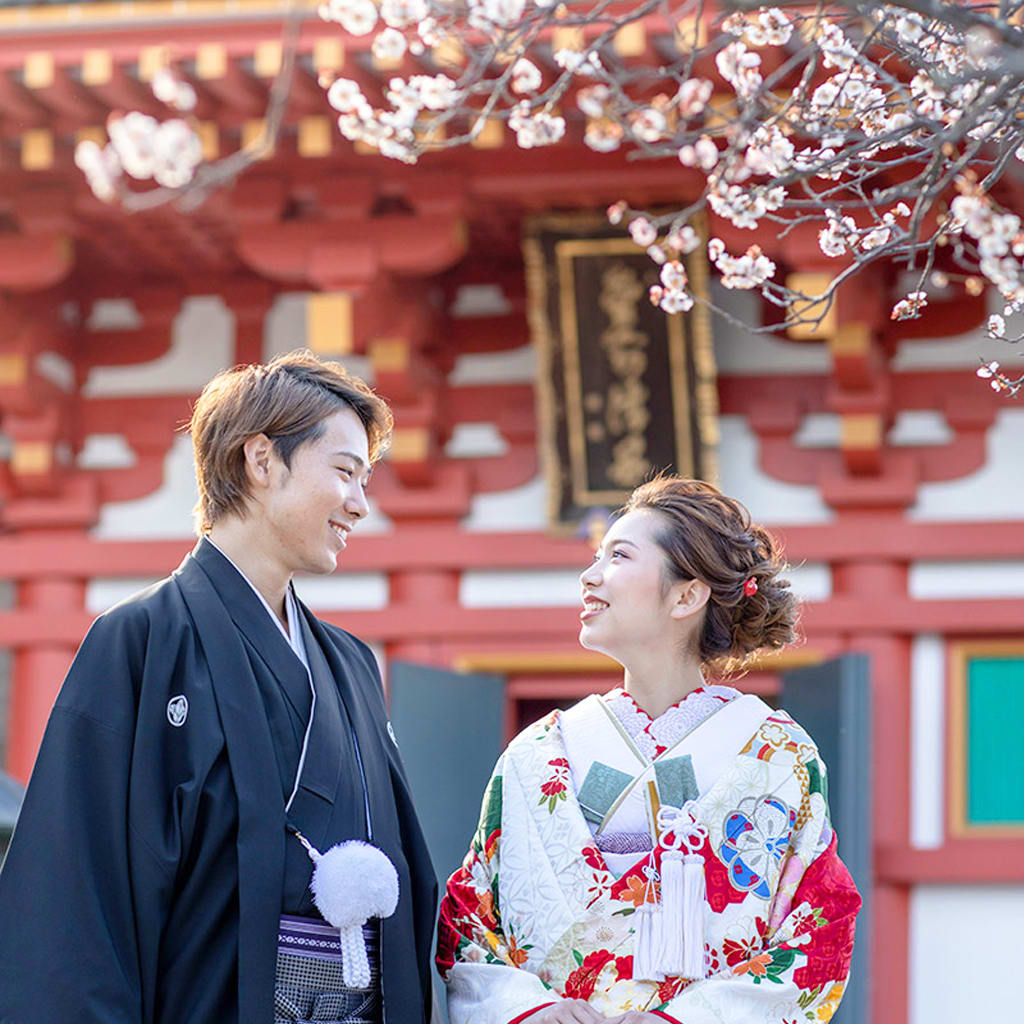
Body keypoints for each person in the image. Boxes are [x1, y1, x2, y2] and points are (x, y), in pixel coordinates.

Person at [0, 350, 437, 1024]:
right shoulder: (141, 642)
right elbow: (75, 897)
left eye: (365, 480)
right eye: (346, 473)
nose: (359, 503)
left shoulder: (349, 664)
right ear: (260, 461)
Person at [437, 477, 860, 1024]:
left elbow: (817, 927)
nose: (589, 577)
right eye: (594, 557)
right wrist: (531, 1010)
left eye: (618, 556)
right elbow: (471, 917)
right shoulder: (539, 751)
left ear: (687, 594)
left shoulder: (775, 754)